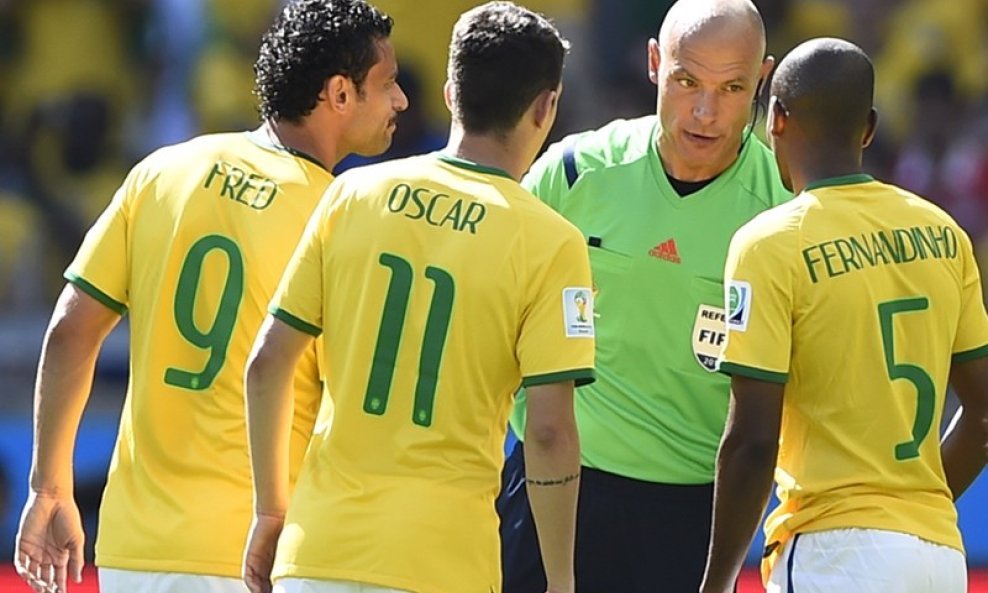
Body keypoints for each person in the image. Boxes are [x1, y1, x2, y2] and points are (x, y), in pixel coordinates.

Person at [13, 1, 408, 592]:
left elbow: (71, 328)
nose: (401, 99)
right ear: (339, 95)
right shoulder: (345, 216)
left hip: (134, 552)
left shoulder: (163, 171)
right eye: (387, 83)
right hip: (263, 551)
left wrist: (49, 487)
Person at [242, 3, 593, 593]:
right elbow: (550, 434)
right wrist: (559, 579)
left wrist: (270, 513)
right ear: (546, 107)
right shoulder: (551, 241)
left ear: (452, 93)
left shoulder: (352, 193)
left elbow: (266, 364)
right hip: (444, 564)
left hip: (320, 551)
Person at [496, 1, 788, 591]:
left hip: (695, 516)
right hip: (552, 491)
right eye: (687, 81)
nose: (706, 111)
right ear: (655, 63)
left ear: (763, 79)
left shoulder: (783, 211)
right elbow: (489, 317)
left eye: (732, 87)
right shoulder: (574, 173)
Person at [701, 37, 988, 593]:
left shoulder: (770, 243)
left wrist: (715, 581)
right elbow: (983, 416)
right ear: (870, 127)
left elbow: (754, 440)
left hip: (835, 551)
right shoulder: (943, 232)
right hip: (939, 555)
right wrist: (908, 514)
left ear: (776, 118)